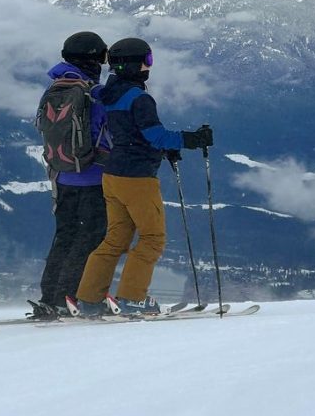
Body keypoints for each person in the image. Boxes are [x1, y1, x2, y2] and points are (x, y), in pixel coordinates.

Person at [70, 37, 213, 316]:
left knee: (115, 239)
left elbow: (130, 134)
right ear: (137, 65)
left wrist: (162, 149)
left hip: (111, 176)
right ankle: (132, 298)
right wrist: (193, 139)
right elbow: (155, 135)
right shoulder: (140, 98)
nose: (150, 66)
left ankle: (88, 299)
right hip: (137, 179)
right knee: (152, 238)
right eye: (148, 60)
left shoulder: (107, 94)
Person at [28, 31, 110, 319]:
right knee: (90, 238)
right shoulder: (91, 93)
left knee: (64, 236)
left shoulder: (54, 88)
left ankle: (49, 297)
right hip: (93, 176)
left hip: (61, 177)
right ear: (93, 58)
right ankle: (71, 296)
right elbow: (103, 132)